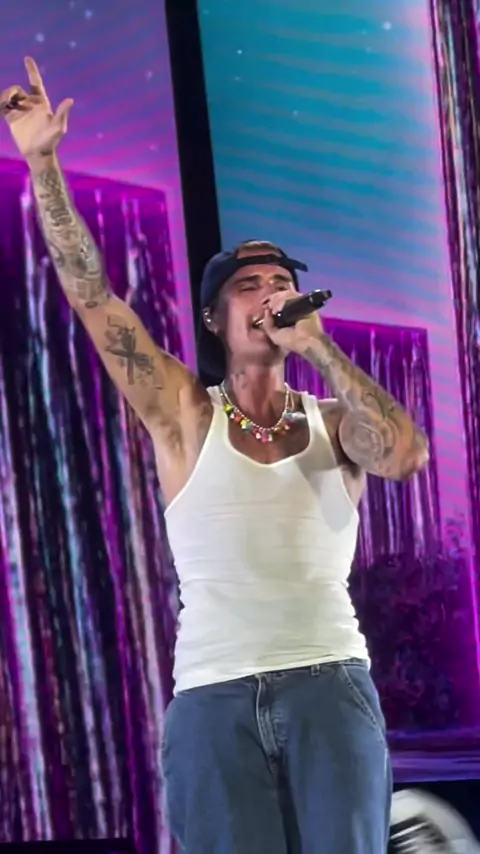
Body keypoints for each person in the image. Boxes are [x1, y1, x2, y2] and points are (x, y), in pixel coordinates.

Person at [1, 59, 429, 854]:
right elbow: (93, 298)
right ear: (213, 317)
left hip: (329, 684)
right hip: (212, 697)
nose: (270, 294)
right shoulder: (185, 414)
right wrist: (45, 164)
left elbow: (404, 455)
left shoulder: (336, 423)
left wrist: (321, 349)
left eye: (281, 281)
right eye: (249, 285)